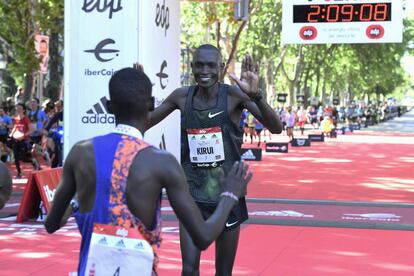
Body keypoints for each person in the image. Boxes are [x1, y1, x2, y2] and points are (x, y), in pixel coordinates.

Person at [44, 68, 252, 276]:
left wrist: (76, 200)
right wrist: (229, 194)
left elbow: (52, 224)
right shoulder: (162, 163)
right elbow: (203, 237)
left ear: (108, 107)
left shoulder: (80, 153)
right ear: (151, 105)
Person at [145, 44, 282, 276]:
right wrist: (140, 94)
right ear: (191, 67)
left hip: (227, 193)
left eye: (210, 65)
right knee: (189, 270)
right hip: (191, 194)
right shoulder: (181, 96)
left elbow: (276, 128)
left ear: (221, 68)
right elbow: (144, 122)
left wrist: (256, 96)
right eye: (199, 65)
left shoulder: (233, 95)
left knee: (223, 272)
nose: (204, 70)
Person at [9, 103, 33, 178]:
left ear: (23, 110)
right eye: (17, 108)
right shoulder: (16, 119)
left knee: (23, 158)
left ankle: (33, 161)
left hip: (23, 141)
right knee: (16, 157)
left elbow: (32, 129)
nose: (18, 110)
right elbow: (15, 128)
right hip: (16, 140)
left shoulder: (26, 119)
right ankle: (19, 173)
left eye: (20, 108)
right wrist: (11, 134)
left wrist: (24, 135)